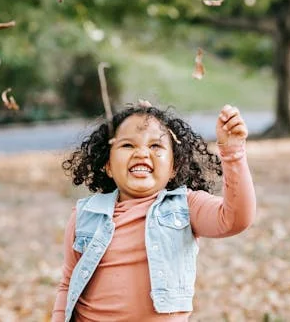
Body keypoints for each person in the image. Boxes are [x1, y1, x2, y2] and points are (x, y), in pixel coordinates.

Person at [52, 103, 256, 322]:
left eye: (156, 146)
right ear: (108, 165)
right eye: (128, 145)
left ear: (174, 166)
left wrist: (233, 153)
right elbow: (68, 283)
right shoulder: (86, 214)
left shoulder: (185, 206)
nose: (141, 153)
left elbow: (236, 219)